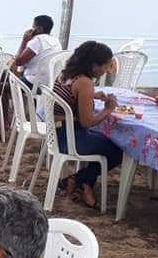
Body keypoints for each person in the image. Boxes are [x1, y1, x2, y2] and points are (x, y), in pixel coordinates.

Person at [52, 41, 123, 209]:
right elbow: (87, 122)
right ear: (93, 65)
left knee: (107, 142)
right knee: (118, 150)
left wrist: (91, 96)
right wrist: (109, 109)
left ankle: (84, 183)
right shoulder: (84, 83)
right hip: (71, 139)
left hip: (58, 133)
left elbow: (73, 97)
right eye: (105, 66)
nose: (106, 70)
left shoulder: (66, 74)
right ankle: (78, 179)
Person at [12, 15, 62, 89]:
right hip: (49, 84)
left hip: (33, 82)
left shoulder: (38, 40)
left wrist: (24, 40)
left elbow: (18, 62)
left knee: (4, 86)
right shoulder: (56, 42)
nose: (31, 30)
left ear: (39, 29)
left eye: (33, 27)